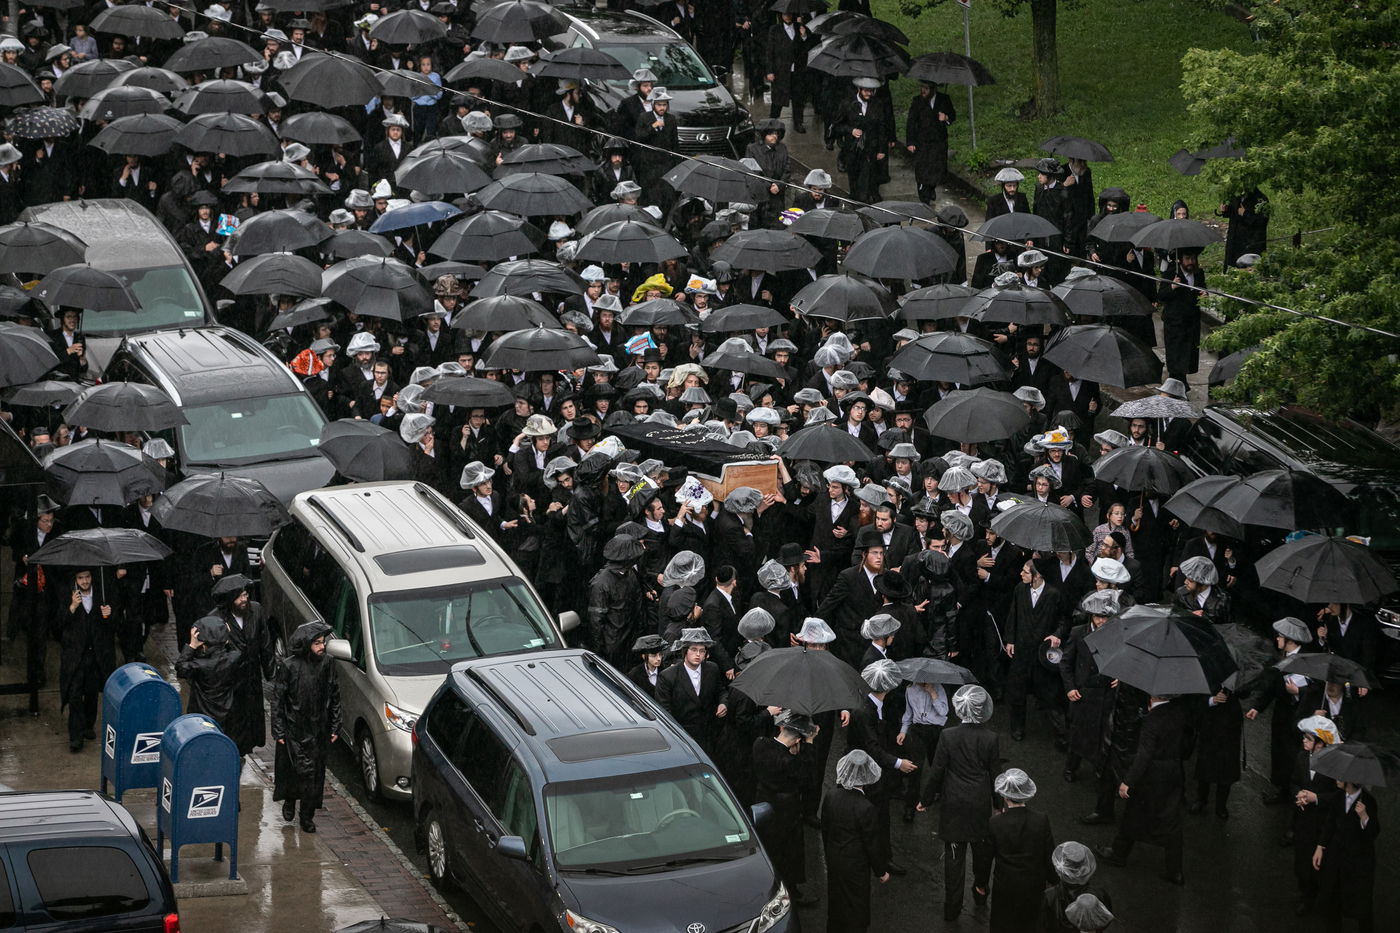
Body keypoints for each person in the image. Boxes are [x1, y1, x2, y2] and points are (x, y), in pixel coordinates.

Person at [919, 684, 1000, 921]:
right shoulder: (991, 738)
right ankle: (981, 887)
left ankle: (952, 908)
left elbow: (937, 771)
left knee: (954, 860)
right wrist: (998, 804)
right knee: (983, 851)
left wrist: (925, 800)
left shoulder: (948, 736)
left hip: (954, 803)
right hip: (979, 803)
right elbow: (996, 774)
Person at [1097, 692, 1187, 885]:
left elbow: (1144, 754)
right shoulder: (1179, 712)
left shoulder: (1152, 720)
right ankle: (1175, 870)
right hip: (1173, 772)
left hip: (1151, 775)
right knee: (1171, 820)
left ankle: (1118, 854)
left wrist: (1128, 781)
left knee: (1133, 813)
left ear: (1154, 695)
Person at [272, 620, 341, 834]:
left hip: (317, 729)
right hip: (294, 729)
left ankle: (307, 816)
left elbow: (335, 695)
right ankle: (290, 800)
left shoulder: (327, 664)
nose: (322, 646)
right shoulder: (289, 666)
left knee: (313, 775)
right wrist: (279, 730)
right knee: (293, 771)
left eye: (323, 642)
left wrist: (335, 725)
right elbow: (278, 699)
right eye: (317, 643)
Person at [752, 710, 819, 904]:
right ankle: (790, 892)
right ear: (798, 740)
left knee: (770, 849)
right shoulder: (792, 763)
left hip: (764, 803)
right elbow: (809, 778)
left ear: (782, 727)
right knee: (789, 852)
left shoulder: (760, 744)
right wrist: (810, 744)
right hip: (787, 810)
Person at [821, 749, 890, 933]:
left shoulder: (831, 796)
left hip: (835, 858)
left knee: (836, 904)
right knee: (856, 907)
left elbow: (825, 829)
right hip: (855, 866)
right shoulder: (865, 807)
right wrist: (881, 871)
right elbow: (872, 844)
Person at [213, 573, 277, 760]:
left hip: (251, 679)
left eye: (246, 594)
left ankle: (243, 751)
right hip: (231, 684)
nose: (245, 598)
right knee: (233, 722)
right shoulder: (217, 619)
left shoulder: (255, 610)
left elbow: (265, 643)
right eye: (240, 595)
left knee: (250, 720)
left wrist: (271, 673)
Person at [989, 768, 1057, 933]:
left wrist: (981, 882)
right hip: (1033, 883)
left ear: (1005, 795)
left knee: (1003, 922)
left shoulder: (996, 823)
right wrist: (1053, 879)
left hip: (1005, 885)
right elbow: (1049, 853)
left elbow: (987, 856)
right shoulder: (1041, 820)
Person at [57, 568, 117, 752]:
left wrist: (108, 615)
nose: (85, 581)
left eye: (87, 577)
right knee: (74, 694)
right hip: (75, 655)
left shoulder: (103, 594)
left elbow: (112, 626)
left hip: (95, 654)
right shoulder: (66, 594)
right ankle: (75, 736)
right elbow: (58, 625)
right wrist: (72, 608)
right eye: (81, 578)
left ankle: (88, 725)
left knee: (91, 692)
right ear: (75, 579)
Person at [1314, 775, 1379, 933]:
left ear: (1350, 781)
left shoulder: (1368, 802)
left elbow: (1374, 832)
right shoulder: (1338, 797)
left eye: (1340, 776)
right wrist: (1320, 846)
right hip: (1337, 859)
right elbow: (1330, 823)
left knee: (1362, 906)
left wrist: (1364, 817)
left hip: (1358, 863)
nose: (1336, 778)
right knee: (1333, 900)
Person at [1292, 715, 1341, 917]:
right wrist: (1298, 795)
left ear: (1320, 743)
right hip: (1303, 821)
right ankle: (1306, 896)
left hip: (1323, 825)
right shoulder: (1301, 758)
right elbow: (1293, 782)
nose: (1304, 741)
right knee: (1302, 862)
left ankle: (1322, 898)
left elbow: (1337, 797)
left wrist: (1316, 798)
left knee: (1320, 865)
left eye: (1309, 739)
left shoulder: (1334, 766)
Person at [655, 627, 729, 754]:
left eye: (702, 651)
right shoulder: (668, 676)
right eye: (694, 650)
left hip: (710, 734)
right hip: (683, 736)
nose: (698, 654)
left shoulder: (712, 669)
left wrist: (723, 703)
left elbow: (721, 691)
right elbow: (664, 711)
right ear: (685, 651)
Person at [175, 615, 244, 735]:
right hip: (226, 715)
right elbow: (236, 648)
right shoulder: (234, 658)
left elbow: (181, 667)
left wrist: (191, 646)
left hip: (201, 716)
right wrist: (225, 636)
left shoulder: (200, 665)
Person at [832, 77, 890, 204]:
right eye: (866, 91)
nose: (869, 94)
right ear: (859, 89)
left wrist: (882, 149)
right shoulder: (848, 104)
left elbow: (882, 128)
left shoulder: (877, 104)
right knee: (854, 179)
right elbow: (837, 125)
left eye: (871, 91)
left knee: (868, 179)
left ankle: (866, 200)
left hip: (870, 149)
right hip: (853, 150)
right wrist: (850, 130)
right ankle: (855, 201)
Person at [1040, 841, 1112, 933]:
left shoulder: (1049, 896)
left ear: (1060, 870)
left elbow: (1044, 924)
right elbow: (1105, 920)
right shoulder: (1099, 894)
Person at [905, 81, 955, 204]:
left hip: (938, 141)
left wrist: (946, 118)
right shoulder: (917, 101)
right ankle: (924, 195)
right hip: (922, 142)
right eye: (922, 87)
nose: (923, 90)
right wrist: (910, 142)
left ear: (933, 89)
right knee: (922, 169)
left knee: (937, 168)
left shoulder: (944, 99)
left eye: (926, 88)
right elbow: (911, 122)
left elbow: (953, 115)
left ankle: (931, 187)